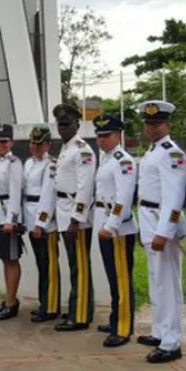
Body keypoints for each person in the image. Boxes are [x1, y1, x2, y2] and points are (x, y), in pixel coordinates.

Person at [136, 100, 186, 364]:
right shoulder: (154, 150)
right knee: (157, 281)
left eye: (157, 124)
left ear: (168, 124)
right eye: (149, 124)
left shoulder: (171, 152)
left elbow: (175, 197)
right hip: (149, 219)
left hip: (160, 223)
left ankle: (172, 342)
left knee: (168, 285)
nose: (152, 129)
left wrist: (164, 232)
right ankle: (160, 331)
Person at [91, 114, 138, 348]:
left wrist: (111, 226)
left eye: (106, 135)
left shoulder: (122, 160)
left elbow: (124, 198)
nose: (102, 140)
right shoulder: (106, 158)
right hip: (104, 222)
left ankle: (123, 327)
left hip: (118, 229)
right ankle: (115, 318)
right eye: (99, 136)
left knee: (121, 279)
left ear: (118, 135)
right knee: (113, 277)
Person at [51, 104, 96, 332]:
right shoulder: (66, 147)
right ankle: (80, 306)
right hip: (64, 210)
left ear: (77, 124)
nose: (63, 128)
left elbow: (85, 187)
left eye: (67, 124)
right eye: (60, 124)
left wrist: (76, 219)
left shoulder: (82, 149)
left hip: (74, 217)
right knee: (74, 264)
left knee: (79, 265)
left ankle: (80, 316)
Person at [0, 124, 24, 320]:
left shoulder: (13, 163)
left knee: (12, 259)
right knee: (4, 258)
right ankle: (9, 298)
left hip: (8, 216)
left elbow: (15, 193)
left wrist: (11, 220)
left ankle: (12, 302)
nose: (0, 144)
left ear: (12, 142)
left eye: (4, 141)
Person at [24, 124, 61, 323]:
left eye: (39, 144)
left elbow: (48, 196)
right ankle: (44, 302)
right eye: (32, 143)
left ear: (48, 145)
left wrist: (41, 224)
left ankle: (51, 306)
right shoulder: (29, 164)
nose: (35, 147)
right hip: (30, 219)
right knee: (40, 264)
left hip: (45, 223)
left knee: (49, 266)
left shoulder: (51, 165)